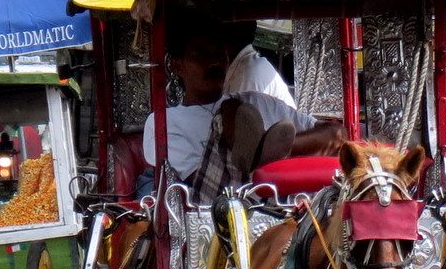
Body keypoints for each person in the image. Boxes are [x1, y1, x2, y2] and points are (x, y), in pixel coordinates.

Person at [142, 21, 341, 200]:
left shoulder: (257, 101)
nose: (214, 62)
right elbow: (206, 184)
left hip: (289, 209)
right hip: (221, 210)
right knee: (231, 111)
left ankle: (262, 149)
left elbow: (338, 135)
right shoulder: (165, 121)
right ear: (177, 65)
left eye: (219, 53)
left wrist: (279, 149)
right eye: (201, 55)